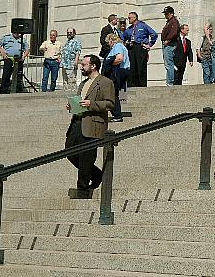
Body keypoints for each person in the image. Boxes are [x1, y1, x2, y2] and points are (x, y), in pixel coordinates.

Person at [65, 55, 115, 199]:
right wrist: (72, 105)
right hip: (77, 122)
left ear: (93, 66)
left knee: (86, 157)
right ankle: (97, 175)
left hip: (93, 124)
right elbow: (80, 101)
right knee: (70, 153)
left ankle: (82, 189)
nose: (81, 67)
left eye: (84, 64)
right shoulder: (83, 83)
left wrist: (91, 104)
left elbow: (110, 103)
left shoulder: (105, 82)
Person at [122, 11, 157, 87]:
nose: (128, 19)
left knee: (141, 67)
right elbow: (123, 38)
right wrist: (124, 43)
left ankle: (142, 86)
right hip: (131, 48)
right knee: (132, 67)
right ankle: (132, 86)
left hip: (140, 47)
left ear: (134, 18)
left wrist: (149, 44)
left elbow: (154, 34)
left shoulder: (143, 26)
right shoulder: (129, 29)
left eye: (129, 18)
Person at [102, 33, 130, 122]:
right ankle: (116, 114)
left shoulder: (117, 46)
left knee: (111, 93)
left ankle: (117, 115)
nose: (108, 44)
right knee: (113, 93)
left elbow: (119, 58)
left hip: (118, 71)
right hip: (119, 71)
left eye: (108, 42)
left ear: (111, 40)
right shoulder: (119, 46)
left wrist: (108, 64)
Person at [160, 6, 181, 86]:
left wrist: (167, 40)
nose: (165, 15)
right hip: (167, 44)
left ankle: (170, 82)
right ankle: (169, 81)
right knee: (168, 64)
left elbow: (174, 33)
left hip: (170, 44)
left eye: (167, 14)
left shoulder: (174, 21)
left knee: (169, 64)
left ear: (171, 13)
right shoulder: (169, 22)